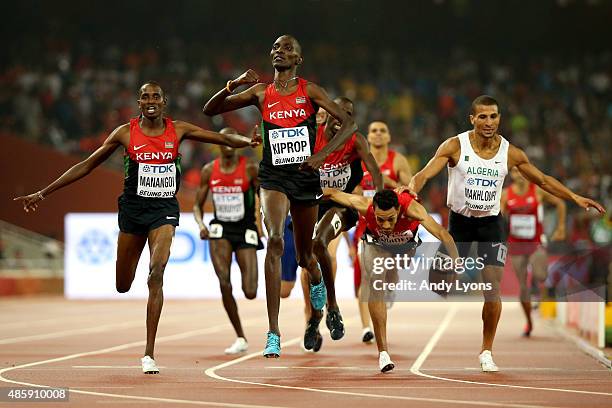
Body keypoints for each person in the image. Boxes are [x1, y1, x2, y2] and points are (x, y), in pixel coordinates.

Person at [14, 82, 260, 374]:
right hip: (133, 212)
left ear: (164, 102)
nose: (151, 100)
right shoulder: (125, 133)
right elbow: (87, 164)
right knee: (123, 284)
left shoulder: (178, 129)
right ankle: (140, 323)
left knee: (156, 274)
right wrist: (43, 192)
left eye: (156, 96)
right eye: (145, 96)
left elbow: (216, 137)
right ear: (139, 102)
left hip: (164, 211)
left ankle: (148, 354)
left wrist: (246, 142)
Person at [408, 94, 605, 372]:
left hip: (491, 224)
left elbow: (544, 180)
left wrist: (575, 197)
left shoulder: (510, 153)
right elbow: (426, 173)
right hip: (460, 224)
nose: (489, 122)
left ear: (499, 118)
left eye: (494, 116)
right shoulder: (455, 145)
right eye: (483, 116)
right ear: (472, 119)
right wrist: (412, 187)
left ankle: (486, 350)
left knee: (493, 288)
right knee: (438, 285)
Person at [203, 34, 357, 358]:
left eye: (287, 48)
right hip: (273, 176)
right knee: (274, 241)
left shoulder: (310, 91)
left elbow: (349, 124)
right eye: (274, 47)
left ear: (298, 59)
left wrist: (321, 155)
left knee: (305, 257)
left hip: (304, 178)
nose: (279, 52)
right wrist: (233, 84)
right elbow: (210, 109)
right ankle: (272, 332)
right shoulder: (260, 92)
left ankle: (317, 281)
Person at [323, 188, 459, 372]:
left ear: (399, 210)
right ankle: (383, 353)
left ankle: (390, 285)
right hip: (376, 244)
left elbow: (443, 234)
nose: (386, 225)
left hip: (405, 247)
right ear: (374, 211)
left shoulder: (413, 209)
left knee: (392, 276)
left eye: (391, 219)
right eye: (380, 219)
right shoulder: (365, 205)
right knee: (375, 284)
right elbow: (332, 193)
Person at [301, 96, 383, 352]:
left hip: (343, 206)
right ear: (328, 112)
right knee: (306, 267)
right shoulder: (310, 138)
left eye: (348, 114)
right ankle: (314, 319)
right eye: (337, 113)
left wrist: (380, 202)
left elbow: (375, 171)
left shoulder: (355, 141)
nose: (341, 119)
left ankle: (333, 307)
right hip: (312, 205)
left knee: (318, 243)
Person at [193, 129, 264, 354]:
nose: (230, 144)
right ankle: (240, 336)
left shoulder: (250, 168)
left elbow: (263, 195)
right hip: (220, 229)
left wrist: (261, 223)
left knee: (250, 291)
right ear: (220, 144)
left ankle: (243, 333)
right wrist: (201, 225)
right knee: (224, 282)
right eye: (226, 141)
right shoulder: (208, 170)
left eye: (234, 140)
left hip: (245, 229)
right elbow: (196, 205)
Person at [353, 121, 413, 343]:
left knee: (390, 273)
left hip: (392, 227)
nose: (378, 134)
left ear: (388, 137)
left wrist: (384, 179)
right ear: (368, 137)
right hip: (365, 224)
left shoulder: (397, 160)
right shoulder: (358, 161)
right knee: (365, 276)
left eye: (382, 131)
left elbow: (410, 188)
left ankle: (389, 289)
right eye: (373, 131)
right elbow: (353, 190)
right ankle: (365, 327)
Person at [501, 167, 566, 337]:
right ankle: (529, 321)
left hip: (535, 242)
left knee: (541, 275)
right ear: (512, 176)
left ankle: (536, 287)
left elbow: (560, 203)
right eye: (515, 173)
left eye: (522, 172)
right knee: (522, 287)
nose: (519, 176)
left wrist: (560, 227)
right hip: (516, 245)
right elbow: (498, 217)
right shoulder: (506, 195)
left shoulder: (537, 191)